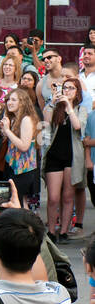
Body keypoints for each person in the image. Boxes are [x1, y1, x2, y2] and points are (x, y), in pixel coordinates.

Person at [43, 77, 85, 240]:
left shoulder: (81, 109)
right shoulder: (54, 106)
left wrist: (68, 106)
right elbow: (45, 124)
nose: (67, 91)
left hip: (72, 157)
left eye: (71, 88)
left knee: (68, 196)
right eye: (65, 88)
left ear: (77, 92)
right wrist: (53, 104)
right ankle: (51, 231)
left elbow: (77, 126)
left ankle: (63, 231)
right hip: (54, 155)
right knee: (53, 197)